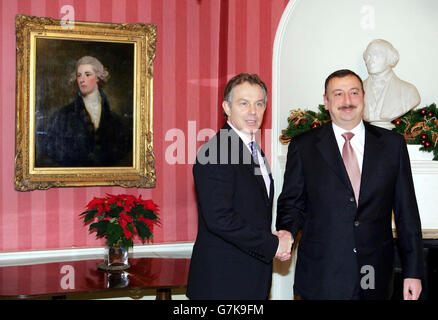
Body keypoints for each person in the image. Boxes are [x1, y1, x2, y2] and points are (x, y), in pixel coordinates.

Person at [276, 69, 424, 300]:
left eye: (354, 92)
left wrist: (413, 272)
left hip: (374, 273)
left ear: (363, 97)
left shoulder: (392, 146)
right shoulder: (304, 147)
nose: (347, 101)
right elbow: (292, 203)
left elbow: (407, 214)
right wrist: (287, 233)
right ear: (326, 101)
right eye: (338, 94)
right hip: (321, 274)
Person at [186, 73, 292, 300]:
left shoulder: (252, 150)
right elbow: (220, 219)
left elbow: (251, 211)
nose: (253, 111)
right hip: (223, 283)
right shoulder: (214, 152)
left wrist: (274, 239)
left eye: (259, 103)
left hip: (251, 277)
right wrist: (272, 244)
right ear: (227, 107)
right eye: (243, 103)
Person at [37, 56, 131, 167]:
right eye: (79, 75)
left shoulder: (115, 120)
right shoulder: (63, 116)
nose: (82, 80)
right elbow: (51, 148)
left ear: (98, 77)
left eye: (87, 74)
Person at [362, 39, 420, 129]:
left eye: (376, 54)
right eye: (368, 55)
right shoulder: (357, 90)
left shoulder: (409, 91)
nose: (370, 60)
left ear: (390, 58)